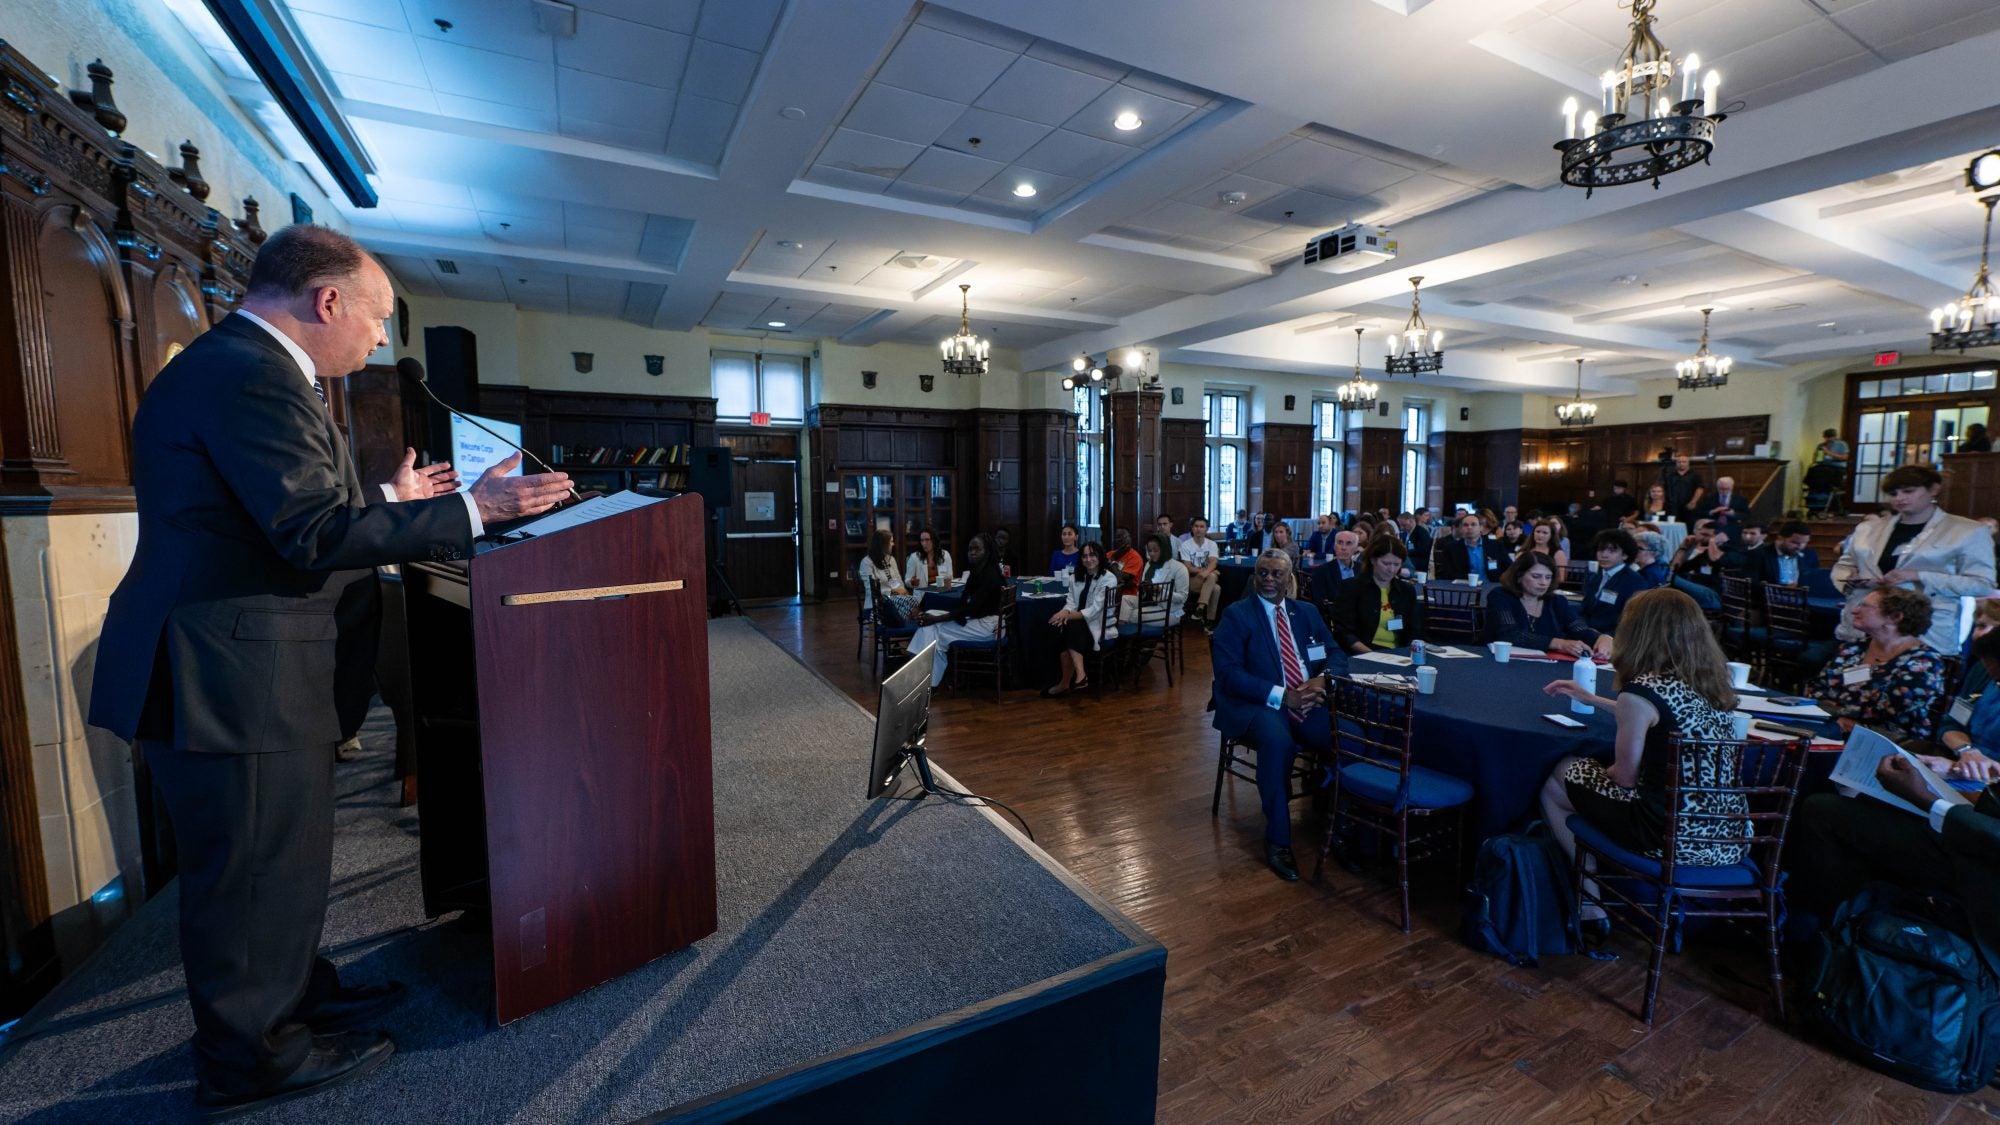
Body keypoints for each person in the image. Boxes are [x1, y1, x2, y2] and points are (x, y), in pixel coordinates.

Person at [87, 225, 572, 1112]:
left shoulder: (244, 366)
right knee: (247, 870)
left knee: (279, 858)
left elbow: (271, 516)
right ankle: (251, 1057)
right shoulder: (251, 375)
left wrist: (392, 501)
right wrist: (477, 508)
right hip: (227, 674)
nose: (381, 339)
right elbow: (309, 534)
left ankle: (293, 992)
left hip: (238, 664)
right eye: (379, 318)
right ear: (328, 301)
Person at [1785, 628, 2000, 959]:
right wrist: (1959, 758)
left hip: (1980, 860)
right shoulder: (1985, 673)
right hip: (1965, 789)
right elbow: (1950, 721)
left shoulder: (1920, 660)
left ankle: (1829, 940)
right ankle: (1846, 930)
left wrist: (1929, 800)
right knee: (1858, 792)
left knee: (1823, 812)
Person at [1539, 588, 1745, 927]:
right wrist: (1595, 700)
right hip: (1727, 837)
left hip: (1668, 839)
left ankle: (1589, 901)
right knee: (1586, 786)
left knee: (1559, 775)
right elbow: (1662, 717)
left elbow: (1624, 777)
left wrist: (1593, 773)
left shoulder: (1642, 690)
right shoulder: (1711, 685)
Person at [1209, 549, 1343, 881]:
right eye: (1263, 573)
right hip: (1256, 702)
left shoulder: (1307, 613)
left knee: (1346, 735)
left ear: (1290, 577)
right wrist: (1285, 697)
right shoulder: (1237, 615)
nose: (1268, 580)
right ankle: (1279, 840)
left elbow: (1336, 654)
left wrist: (1320, 681)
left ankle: (1340, 827)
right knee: (1278, 743)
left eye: (1276, 574)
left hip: (1308, 699)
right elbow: (1229, 675)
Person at [1830, 464, 1997, 655]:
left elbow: (1982, 584)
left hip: (1925, 630)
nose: (1900, 498)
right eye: (1893, 493)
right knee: (1852, 681)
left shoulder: (1968, 531)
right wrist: (1850, 579)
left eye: (1908, 491)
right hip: (1865, 628)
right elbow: (1843, 566)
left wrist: (1918, 575)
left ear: (1933, 489)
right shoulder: (1868, 528)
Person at [1813, 586, 1947, 743]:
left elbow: (1893, 712)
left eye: (1864, 606)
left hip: (1887, 742)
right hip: (1833, 725)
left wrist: (1838, 713)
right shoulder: (1853, 648)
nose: (1854, 610)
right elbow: (1817, 688)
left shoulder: (1924, 662)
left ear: (1895, 617)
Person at [909, 533, 1003, 687]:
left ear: (986, 551)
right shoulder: (977, 571)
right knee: (930, 616)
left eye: (976, 549)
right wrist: (937, 617)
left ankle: (923, 677)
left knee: (933, 628)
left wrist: (938, 619)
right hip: (979, 620)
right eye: (969, 549)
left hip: (988, 627)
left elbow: (972, 608)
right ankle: (927, 679)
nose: (972, 553)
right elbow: (964, 603)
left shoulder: (990, 575)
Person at [1922, 598, 2000, 783]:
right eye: (1979, 626)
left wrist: (1954, 769)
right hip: (1958, 763)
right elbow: (1951, 723)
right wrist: (1967, 752)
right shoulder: (1984, 669)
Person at [1489, 552, 1598, 656]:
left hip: (1546, 666)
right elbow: (1510, 635)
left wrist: (1601, 639)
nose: (1543, 582)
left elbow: (1579, 630)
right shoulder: (1500, 596)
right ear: (1519, 576)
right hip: (1497, 662)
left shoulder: (1557, 601)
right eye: (1536, 576)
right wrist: (1560, 644)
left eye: (1548, 577)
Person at [1044, 541, 1118, 697]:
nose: (1088, 559)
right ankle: (1078, 677)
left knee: (1070, 627)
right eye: (1084, 556)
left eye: (1092, 555)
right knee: (1063, 627)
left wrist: (1067, 616)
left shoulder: (1109, 579)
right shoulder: (1076, 576)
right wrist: (1064, 612)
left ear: (1100, 556)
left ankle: (1069, 681)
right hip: (1080, 625)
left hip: (1099, 625)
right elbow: (1071, 602)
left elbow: (1095, 610)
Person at [1328, 536, 1423, 654]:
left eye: (1397, 564)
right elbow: (1343, 633)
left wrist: (1405, 653)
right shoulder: (1351, 588)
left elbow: (1414, 630)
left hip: (1400, 653)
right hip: (1363, 653)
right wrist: (1372, 654)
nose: (1391, 570)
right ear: (1373, 560)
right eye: (1386, 563)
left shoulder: (1407, 590)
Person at [1578, 528, 1650, 651]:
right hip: (1588, 637)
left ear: (1625, 555)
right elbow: (1585, 609)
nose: (1604, 555)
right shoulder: (1596, 576)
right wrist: (1583, 628)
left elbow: (1633, 622)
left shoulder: (1635, 582)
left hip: (1616, 642)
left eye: (1612, 550)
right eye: (1601, 549)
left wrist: (1605, 636)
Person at [1121, 532, 1189, 626]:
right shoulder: (1149, 564)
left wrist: (1160, 589)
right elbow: (1142, 588)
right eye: (1149, 550)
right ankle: (1123, 634)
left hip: (1169, 610)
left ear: (1164, 549)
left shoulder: (1179, 568)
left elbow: (1183, 597)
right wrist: (1143, 588)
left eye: (1156, 551)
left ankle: (1124, 635)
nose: (1152, 554)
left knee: (1132, 614)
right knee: (1125, 600)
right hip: (1148, 602)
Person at [860, 529, 917, 625]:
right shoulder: (867, 562)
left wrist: (902, 591)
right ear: (882, 544)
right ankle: (906, 626)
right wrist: (892, 592)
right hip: (877, 605)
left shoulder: (891, 560)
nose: (893, 544)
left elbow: (897, 581)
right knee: (911, 603)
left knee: (912, 600)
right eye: (891, 541)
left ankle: (907, 626)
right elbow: (872, 589)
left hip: (894, 599)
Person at [1177, 517, 1223, 627]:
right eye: (1196, 526)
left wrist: (1206, 573)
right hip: (1191, 580)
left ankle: (1201, 611)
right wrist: (1205, 572)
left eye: (1202, 527)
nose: (1199, 529)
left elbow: (1214, 562)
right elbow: (1188, 567)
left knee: (1216, 588)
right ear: (1192, 528)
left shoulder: (1212, 544)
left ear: (1206, 529)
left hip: (1206, 578)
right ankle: (1208, 620)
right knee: (1213, 578)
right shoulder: (1185, 545)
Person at [1433, 511, 1503, 583]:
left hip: (1491, 586)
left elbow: (1507, 568)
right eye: (1465, 525)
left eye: (1473, 524)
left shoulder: (1496, 546)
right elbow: (1446, 574)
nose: (1469, 527)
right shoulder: (1451, 548)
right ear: (1461, 529)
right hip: (1463, 588)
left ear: (1480, 528)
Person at [1747, 520, 1819, 587]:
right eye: (1795, 542)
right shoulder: (1758, 554)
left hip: (1802, 597)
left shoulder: (1809, 554)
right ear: (1780, 538)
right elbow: (1751, 584)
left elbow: (1814, 580)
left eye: (1804, 542)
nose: (1800, 547)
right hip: (1769, 598)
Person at [1306, 529, 1363, 604]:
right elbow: (1321, 603)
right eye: (1340, 543)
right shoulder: (1321, 572)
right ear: (1334, 546)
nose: (1343, 548)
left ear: (1356, 548)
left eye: (1348, 543)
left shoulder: (1363, 570)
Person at [904, 526, 955, 591]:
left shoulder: (945, 555)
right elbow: (907, 581)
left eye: (927, 540)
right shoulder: (914, 557)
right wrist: (912, 582)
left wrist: (946, 586)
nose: (924, 543)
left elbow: (950, 577)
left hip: (942, 593)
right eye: (922, 540)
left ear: (934, 540)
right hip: (923, 595)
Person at [1525, 518, 1570, 584]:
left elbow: (1561, 578)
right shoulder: (1526, 550)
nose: (1540, 535)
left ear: (1551, 535)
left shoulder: (1558, 553)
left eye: (1545, 533)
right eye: (1538, 532)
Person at [1663, 453, 1706, 521]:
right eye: (1679, 462)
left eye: (1684, 462)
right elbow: (1665, 489)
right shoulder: (1670, 475)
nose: (1681, 463)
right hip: (1673, 506)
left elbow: (1700, 488)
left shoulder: (1695, 474)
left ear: (1688, 463)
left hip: (1689, 505)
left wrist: (1693, 502)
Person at [1106, 526, 1144, 598]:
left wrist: (1113, 561)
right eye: (1118, 537)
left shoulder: (1135, 557)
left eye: (1125, 537)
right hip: (1108, 594)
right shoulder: (1109, 554)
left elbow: (1120, 579)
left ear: (1130, 539)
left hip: (1127, 597)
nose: (1123, 540)